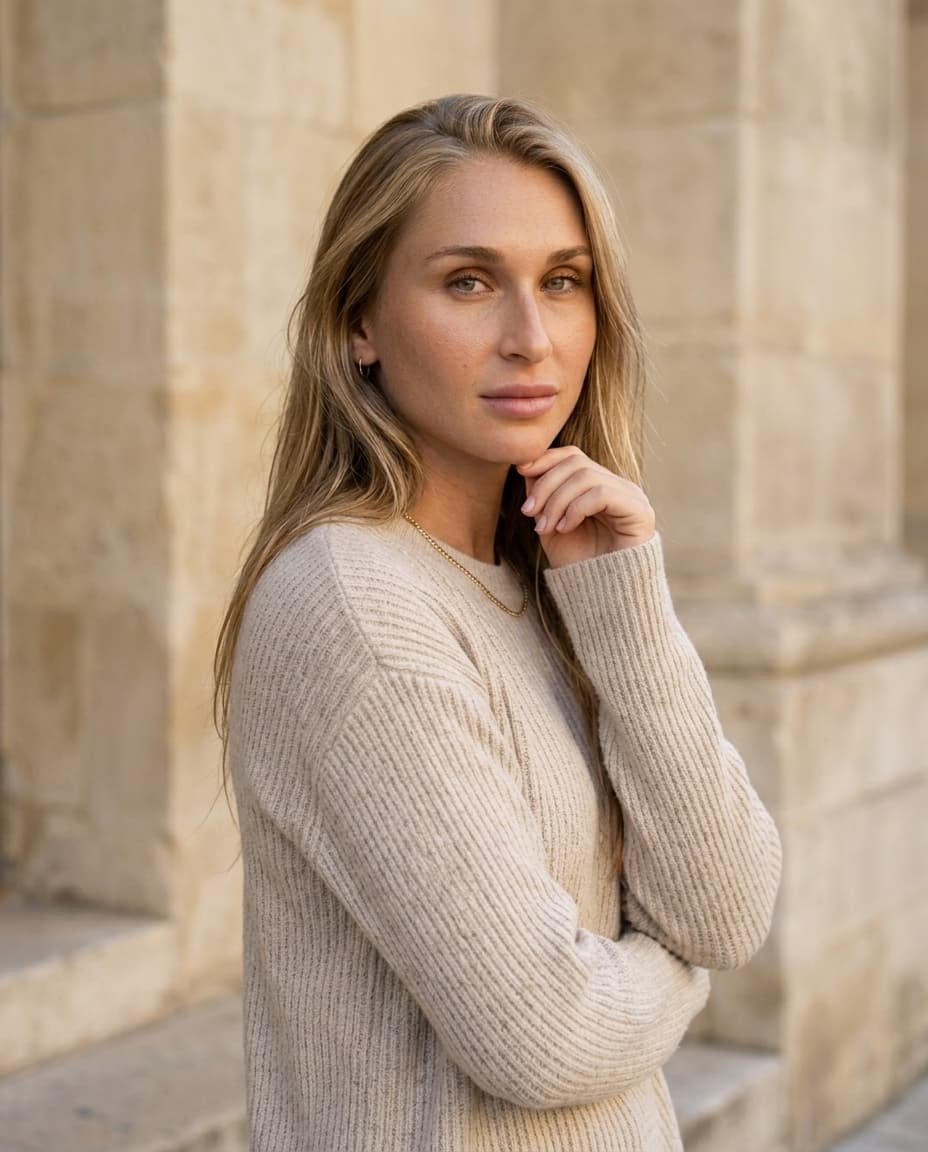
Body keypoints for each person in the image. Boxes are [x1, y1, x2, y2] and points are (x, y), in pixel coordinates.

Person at [213, 93, 782, 1152]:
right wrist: (678, 968)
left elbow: (728, 904)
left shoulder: (550, 581)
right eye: (468, 282)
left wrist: (625, 613)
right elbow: (544, 1034)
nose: (531, 338)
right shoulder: (355, 606)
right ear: (359, 323)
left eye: (563, 281)